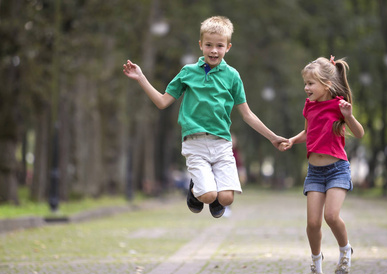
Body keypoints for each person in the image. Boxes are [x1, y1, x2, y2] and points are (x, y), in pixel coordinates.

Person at [123, 16, 287, 218]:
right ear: (201, 45)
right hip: (195, 143)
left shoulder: (233, 76)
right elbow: (162, 102)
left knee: (226, 199)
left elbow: (247, 114)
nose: (214, 50)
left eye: (220, 46)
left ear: (228, 47)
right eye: (209, 45)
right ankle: (195, 191)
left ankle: (205, 189)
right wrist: (141, 78)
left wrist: (273, 137)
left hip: (222, 144)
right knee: (209, 196)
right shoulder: (188, 72)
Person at [280, 55, 365, 274]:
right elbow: (308, 133)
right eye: (305, 84)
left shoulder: (340, 105)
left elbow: (359, 133)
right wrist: (291, 140)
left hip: (337, 169)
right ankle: (316, 261)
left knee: (331, 216)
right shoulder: (309, 105)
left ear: (326, 84)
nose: (306, 88)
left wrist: (349, 116)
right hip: (315, 172)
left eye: (310, 83)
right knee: (313, 223)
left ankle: (345, 250)